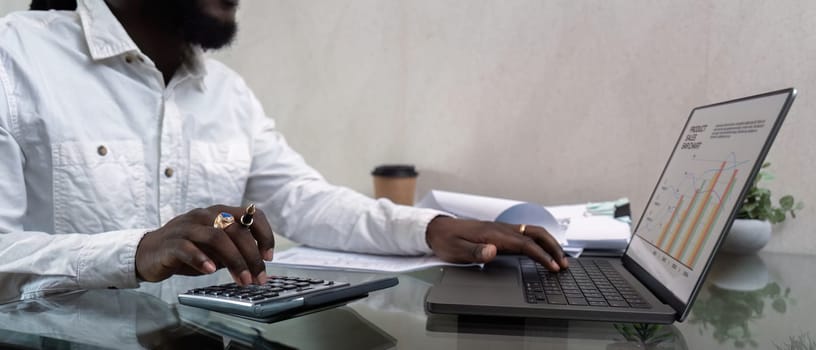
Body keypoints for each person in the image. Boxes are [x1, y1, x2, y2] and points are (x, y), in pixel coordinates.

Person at [0, 0, 567, 302]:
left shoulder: (226, 92)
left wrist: (432, 229)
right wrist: (137, 250)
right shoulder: (17, 57)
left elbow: (303, 201)